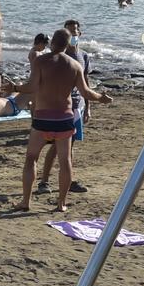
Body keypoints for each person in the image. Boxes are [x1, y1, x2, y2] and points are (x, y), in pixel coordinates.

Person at [15, 29, 111, 213]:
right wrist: (101, 97)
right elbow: (86, 93)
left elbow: (32, 86)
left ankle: (26, 201)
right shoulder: (74, 65)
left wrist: (14, 87)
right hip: (64, 119)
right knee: (65, 161)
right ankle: (61, 203)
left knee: (31, 159)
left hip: (43, 118)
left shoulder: (40, 61)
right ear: (67, 45)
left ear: (52, 43)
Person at [39, 19, 93, 195]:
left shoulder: (83, 56)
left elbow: (86, 83)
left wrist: (89, 107)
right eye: (69, 32)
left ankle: (68, 180)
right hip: (62, 108)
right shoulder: (59, 57)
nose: (73, 35)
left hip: (79, 106)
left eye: (75, 32)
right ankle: (44, 181)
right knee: (56, 146)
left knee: (70, 147)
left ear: (79, 34)